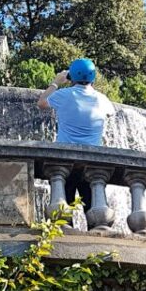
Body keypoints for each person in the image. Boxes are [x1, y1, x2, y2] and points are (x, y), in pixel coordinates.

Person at [37, 58, 115, 209]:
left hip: (66, 160)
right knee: (93, 207)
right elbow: (111, 113)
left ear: (71, 77)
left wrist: (56, 82)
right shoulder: (102, 99)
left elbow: (41, 102)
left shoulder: (64, 95)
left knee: (63, 205)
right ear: (93, 77)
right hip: (92, 161)